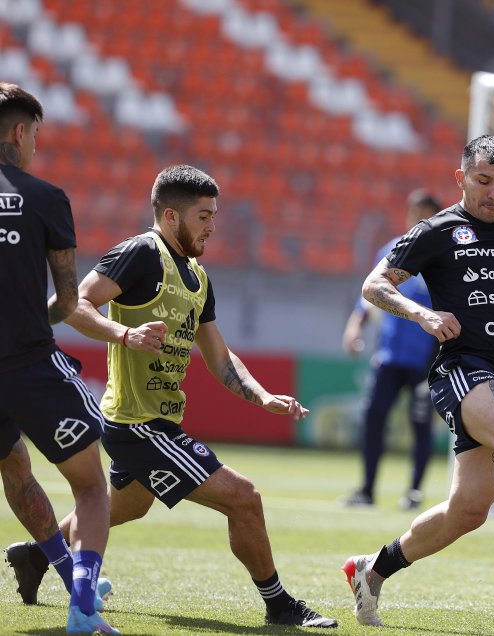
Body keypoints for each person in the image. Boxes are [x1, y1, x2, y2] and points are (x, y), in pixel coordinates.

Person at [7, 164, 337, 628]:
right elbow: (76, 304)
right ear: (169, 216)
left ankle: (36, 557)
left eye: (214, 215)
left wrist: (262, 397)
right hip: (137, 425)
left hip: (157, 421)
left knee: (128, 504)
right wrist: (124, 334)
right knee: (244, 498)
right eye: (203, 215)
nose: (212, 225)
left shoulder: (198, 277)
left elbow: (220, 358)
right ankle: (280, 603)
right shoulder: (142, 253)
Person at [342, 135, 494, 626]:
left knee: (467, 512)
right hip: (461, 368)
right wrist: (423, 315)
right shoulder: (438, 230)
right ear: (461, 178)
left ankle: (372, 570)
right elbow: (373, 285)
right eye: (483, 181)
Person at [0, 82, 119, 634]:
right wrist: (28, 314)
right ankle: (84, 606)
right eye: (36, 137)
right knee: (93, 487)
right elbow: (69, 300)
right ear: (21, 133)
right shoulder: (46, 197)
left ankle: (67, 569)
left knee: (14, 467)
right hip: (27, 363)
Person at [341, 189, 442, 511]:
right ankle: (367, 490)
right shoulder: (393, 252)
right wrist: (355, 326)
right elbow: (370, 298)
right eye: (417, 215)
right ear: (409, 216)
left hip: (425, 361)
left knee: (421, 425)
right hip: (389, 357)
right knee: (373, 417)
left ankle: (413, 492)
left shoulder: (442, 257)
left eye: (427, 215)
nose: (420, 221)